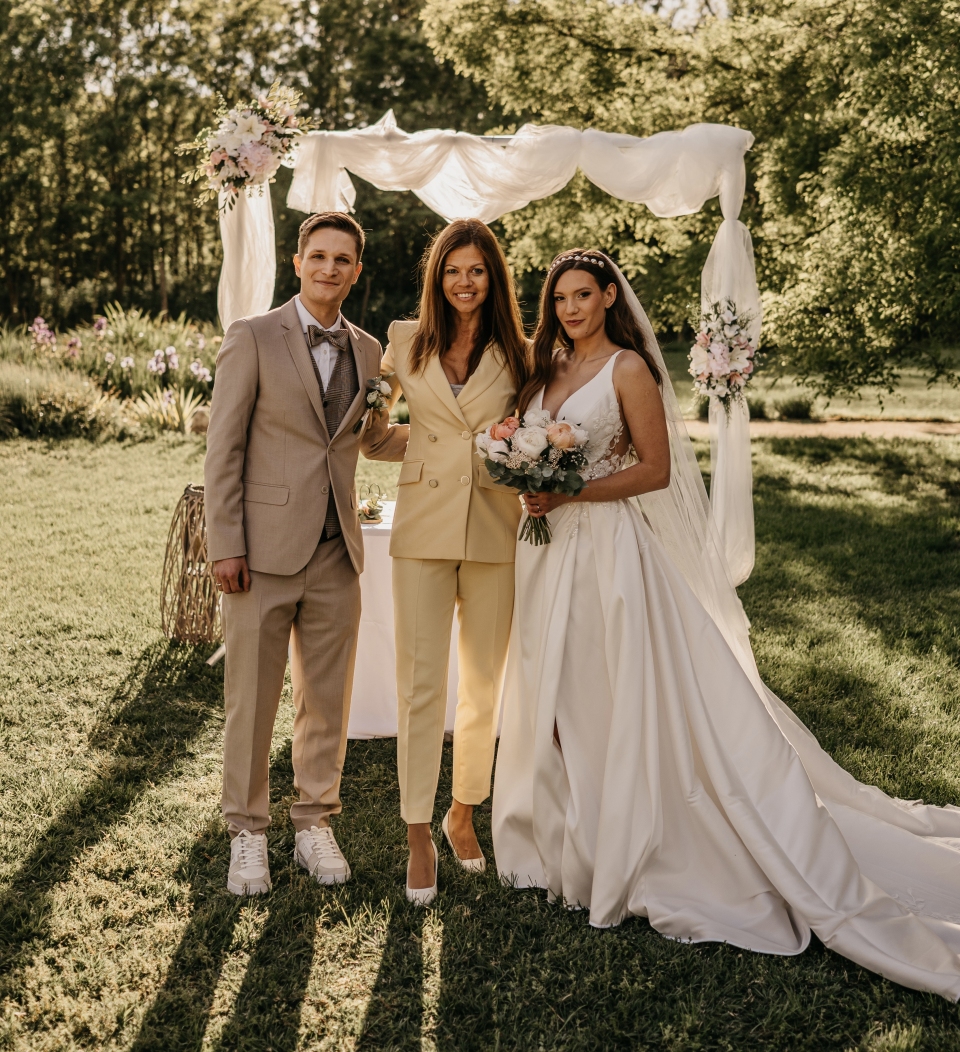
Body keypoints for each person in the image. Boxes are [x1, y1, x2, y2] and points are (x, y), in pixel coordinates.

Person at [492, 248, 960, 999]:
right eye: (562, 297)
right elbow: (524, 436)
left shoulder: (628, 370)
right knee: (556, 696)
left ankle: (641, 838)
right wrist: (524, 471)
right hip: (546, 555)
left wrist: (569, 488)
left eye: (585, 294)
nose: (573, 307)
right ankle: (572, 832)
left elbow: (655, 470)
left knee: (614, 689)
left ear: (610, 296)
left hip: (611, 554)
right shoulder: (545, 371)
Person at [205, 211, 408, 897]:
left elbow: (371, 441)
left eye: (342, 259)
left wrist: (452, 433)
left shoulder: (370, 349)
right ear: (298, 264)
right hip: (259, 552)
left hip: (336, 552)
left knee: (327, 699)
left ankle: (313, 821)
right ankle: (248, 832)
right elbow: (224, 448)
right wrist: (225, 543)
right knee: (252, 699)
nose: (329, 269)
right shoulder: (253, 337)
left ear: (356, 270)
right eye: (317, 257)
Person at [380, 219, 529, 904]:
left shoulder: (524, 354)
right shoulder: (404, 341)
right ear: (435, 277)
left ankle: (463, 810)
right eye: (452, 270)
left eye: (477, 270)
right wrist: (416, 445)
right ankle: (417, 831)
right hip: (422, 527)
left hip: (496, 529)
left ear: (493, 277)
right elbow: (375, 429)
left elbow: (524, 436)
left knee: (483, 685)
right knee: (420, 687)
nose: (464, 282)